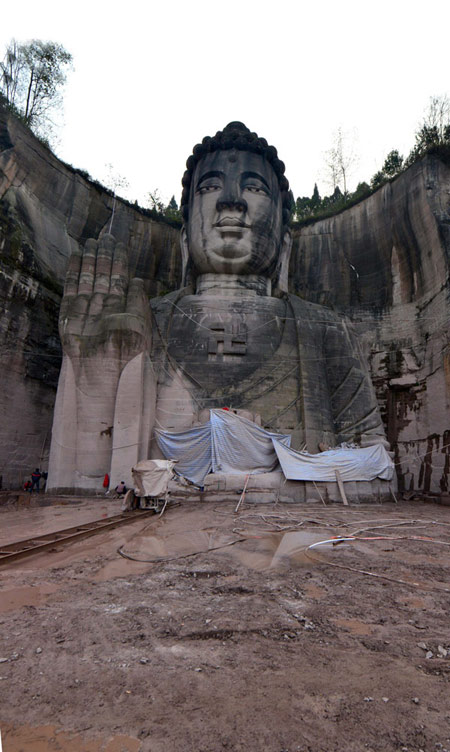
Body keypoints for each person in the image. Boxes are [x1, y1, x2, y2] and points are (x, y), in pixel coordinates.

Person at [48, 122, 388, 494]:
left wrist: (274, 486)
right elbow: (91, 484)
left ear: (284, 240)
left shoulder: (325, 329)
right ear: (184, 237)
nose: (231, 202)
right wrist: (95, 378)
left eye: (253, 188)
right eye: (209, 187)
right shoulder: (144, 323)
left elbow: (378, 469)